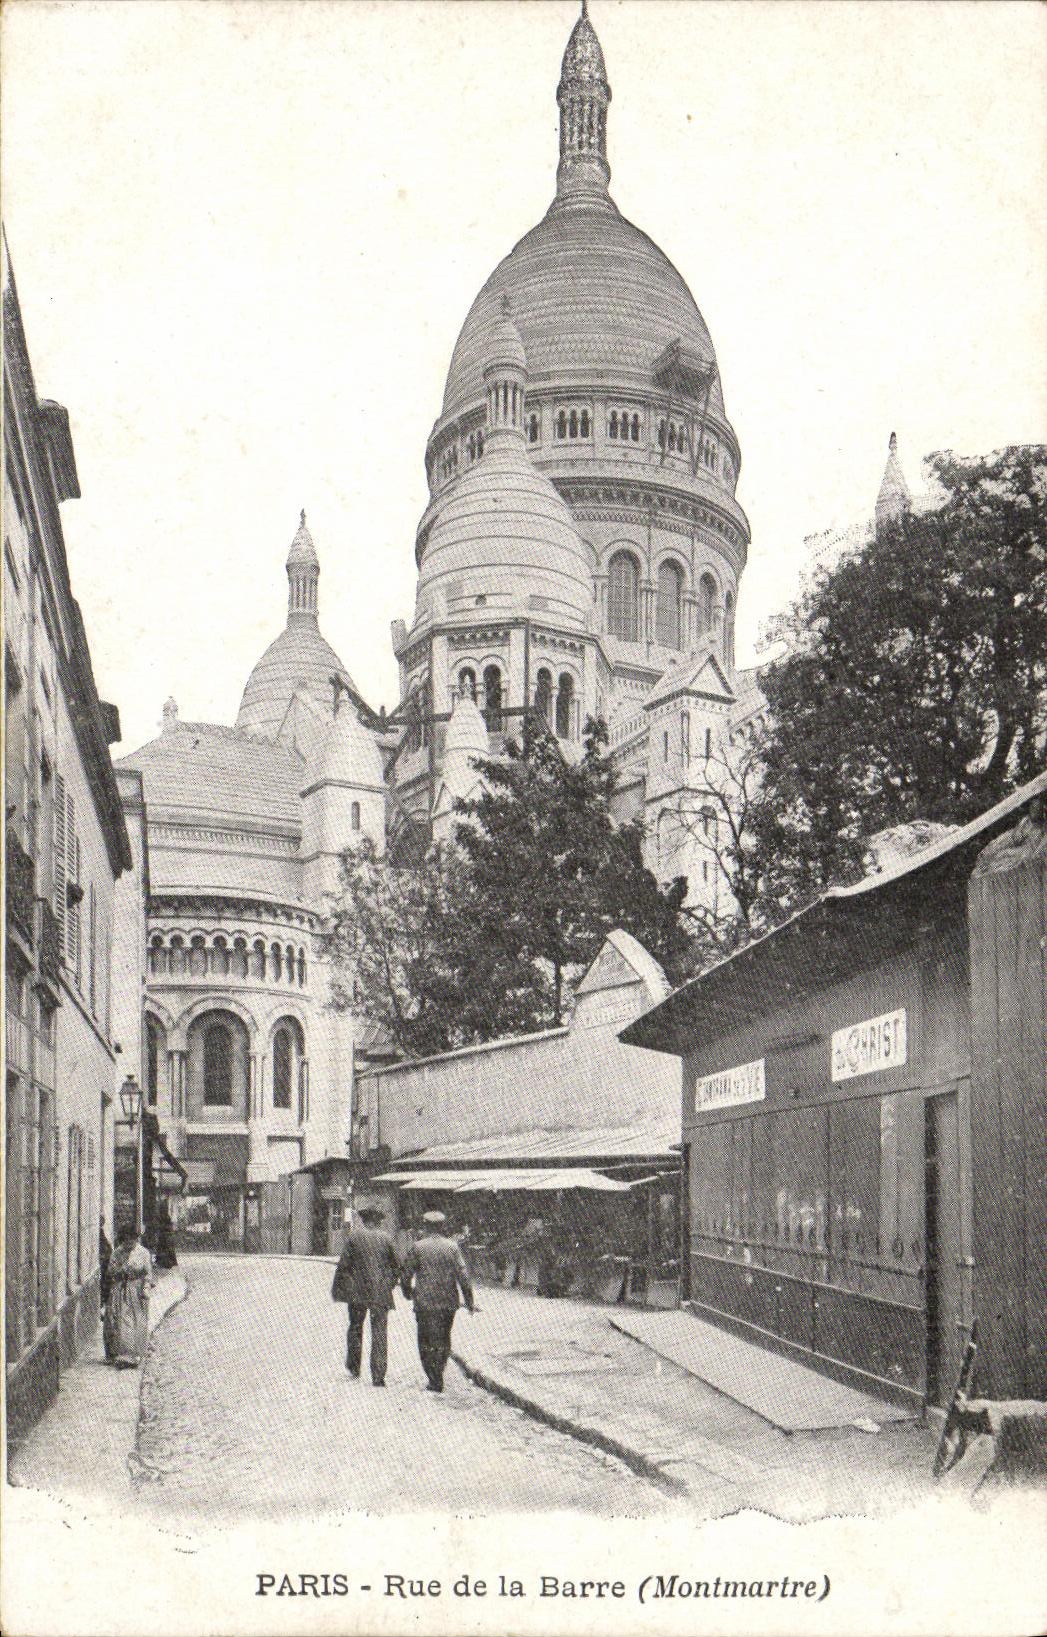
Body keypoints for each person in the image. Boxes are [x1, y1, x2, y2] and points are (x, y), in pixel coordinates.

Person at [400, 1210, 477, 1394]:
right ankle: (439, 1373)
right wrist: (469, 1301)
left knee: (425, 1339)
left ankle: (433, 1378)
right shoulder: (452, 1247)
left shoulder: (418, 1247)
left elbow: (405, 1276)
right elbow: (464, 1276)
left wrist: (408, 1293)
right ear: (442, 1226)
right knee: (443, 1337)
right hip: (447, 1303)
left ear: (426, 1226)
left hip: (424, 1303)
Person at [330, 1205, 400, 1386]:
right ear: (379, 1221)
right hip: (381, 1293)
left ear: (363, 1220)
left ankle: (354, 1366)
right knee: (379, 1331)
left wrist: (339, 1289)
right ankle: (378, 1375)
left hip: (357, 1293)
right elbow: (396, 1267)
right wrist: (389, 1285)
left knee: (355, 1327)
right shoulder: (387, 1239)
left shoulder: (354, 1238)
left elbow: (343, 1266)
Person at [103, 1224, 153, 1368]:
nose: (129, 1243)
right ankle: (117, 1353)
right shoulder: (117, 1253)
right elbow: (110, 1272)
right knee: (116, 1320)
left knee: (135, 1321)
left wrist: (145, 1288)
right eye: (126, 1240)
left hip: (136, 1291)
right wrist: (120, 1271)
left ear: (136, 1239)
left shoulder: (143, 1253)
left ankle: (133, 1354)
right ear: (122, 1240)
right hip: (120, 1290)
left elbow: (148, 1273)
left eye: (132, 1240)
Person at [98, 1219, 113, 1317]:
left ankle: (104, 1306)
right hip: (103, 1265)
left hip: (105, 1265)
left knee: (106, 1285)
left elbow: (107, 1249)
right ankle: (103, 1307)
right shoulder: (99, 1233)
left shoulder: (100, 1233)